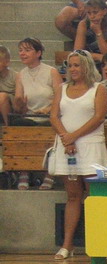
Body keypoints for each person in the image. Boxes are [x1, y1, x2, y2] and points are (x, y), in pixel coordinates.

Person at [49, 50, 107, 261]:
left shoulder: (98, 89)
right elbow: (54, 115)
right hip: (68, 148)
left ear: (86, 66)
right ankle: (67, 245)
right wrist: (66, 138)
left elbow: (99, 117)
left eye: (77, 65)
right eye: (70, 65)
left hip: (91, 146)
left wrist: (73, 136)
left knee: (96, 197)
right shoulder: (62, 88)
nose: (73, 69)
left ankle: (102, 244)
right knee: (73, 196)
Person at [12, 38, 62, 191]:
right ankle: (24, 171)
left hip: (50, 115)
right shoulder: (20, 75)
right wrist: (19, 104)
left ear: (38, 53)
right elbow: (19, 107)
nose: (22, 53)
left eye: (27, 50)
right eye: (21, 50)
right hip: (30, 115)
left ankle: (50, 173)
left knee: (52, 126)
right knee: (18, 125)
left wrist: (49, 110)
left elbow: (61, 97)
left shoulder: (51, 72)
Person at [74, 0, 107, 65]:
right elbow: (78, 52)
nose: (92, 16)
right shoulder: (83, 24)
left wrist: (98, 32)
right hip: (90, 61)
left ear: (104, 11)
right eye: (89, 13)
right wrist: (98, 57)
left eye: (95, 12)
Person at [0, 46, 16, 127]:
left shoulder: (15, 76)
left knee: (2, 96)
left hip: (11, 107)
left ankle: (8, 127)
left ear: (7, 62)